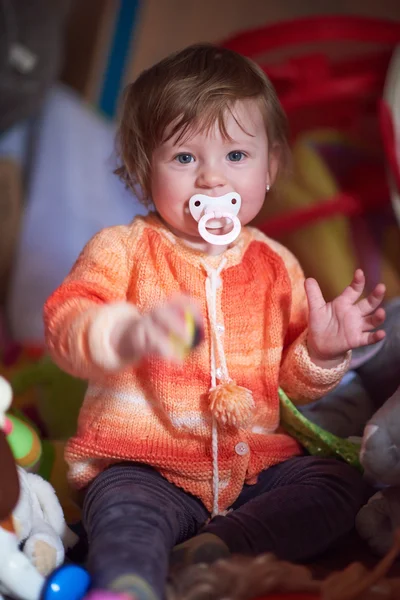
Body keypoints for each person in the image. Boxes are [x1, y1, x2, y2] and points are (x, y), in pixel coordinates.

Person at [44, 44, 386, 600]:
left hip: (253, 470)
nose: (210, 179)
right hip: (145, 463)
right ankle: (130, 584)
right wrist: (124, 332)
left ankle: (219, 546)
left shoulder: (277, 263)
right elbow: (67, 322)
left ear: (270, 165)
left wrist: (321, 353)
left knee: (338, 483)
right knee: (125, 512)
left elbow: (289, 387)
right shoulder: (123, 249)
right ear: (140, 170)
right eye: (184, 158)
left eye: (235, 156)